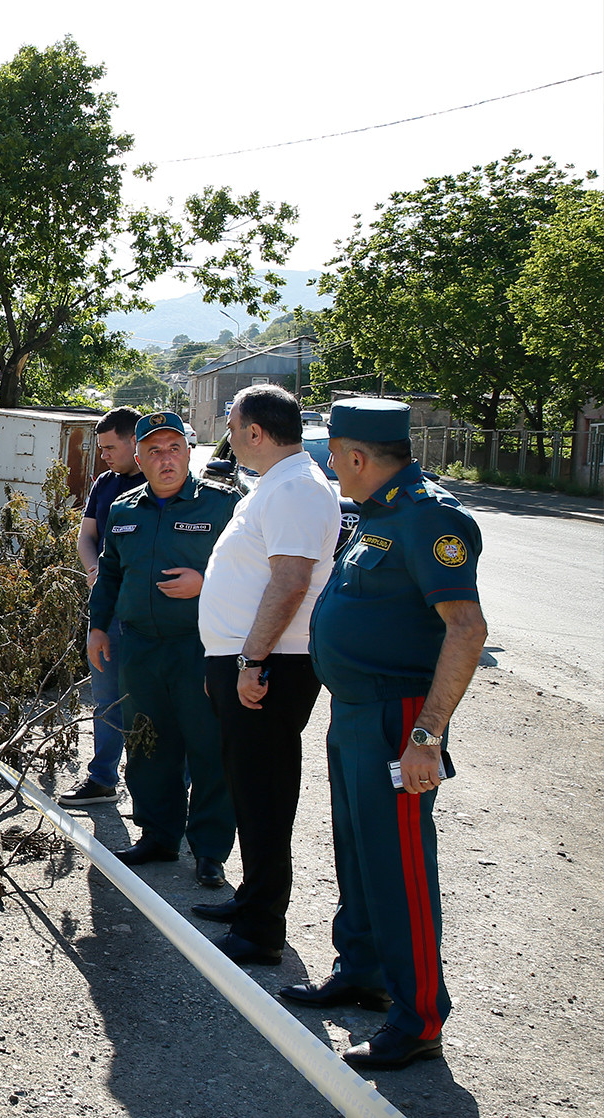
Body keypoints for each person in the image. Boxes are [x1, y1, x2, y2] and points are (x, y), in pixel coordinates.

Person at [289, 397, 487, 1071]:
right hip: (354, 713)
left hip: (398, 719)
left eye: (332, 453)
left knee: (399, 868)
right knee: (359, 853)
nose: (330, 465)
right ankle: (363, 971)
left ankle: (420, 1018)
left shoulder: (429, 518)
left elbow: (467, 629)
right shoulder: (377, 513)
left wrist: (427, 736)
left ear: (355, 455)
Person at [192, 385, 340, 965]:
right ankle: (252, 899)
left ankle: (260, 931)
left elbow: (291, 581)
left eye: (232, 427)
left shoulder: (297, 489)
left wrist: (251, 661)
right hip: (248, 659)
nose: (228, 438)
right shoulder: (278, 484)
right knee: (249, 787)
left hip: (272, 663)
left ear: (256, 432)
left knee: (265, 794)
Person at [86, 411, 240, 887]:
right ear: (139, 459)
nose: (165, 459)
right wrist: (97, 627)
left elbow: (255, 572)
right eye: (154, 451)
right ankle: (158, 835)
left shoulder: (223, 504)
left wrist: (206, 582)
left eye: (174, 448)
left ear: (189, 453)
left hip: (201, 648)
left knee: (208, 748)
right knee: (148, 744)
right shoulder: (124, 510)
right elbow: (110, 573)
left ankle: (209, 850)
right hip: (141, 648)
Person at [59, 406, 143, 807]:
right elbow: (86, 536)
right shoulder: (105, 483)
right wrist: (95, 571)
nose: (104, 455)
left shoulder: (159, 482)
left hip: (148, 611)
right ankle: (102, 779)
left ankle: (159, 787)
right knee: (106, 695)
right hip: (107, 606)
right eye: (101, 448)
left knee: (150, 699)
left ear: (134, 441)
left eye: (110, 447)